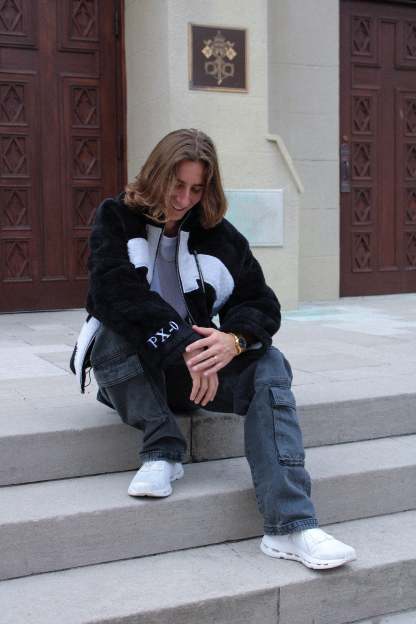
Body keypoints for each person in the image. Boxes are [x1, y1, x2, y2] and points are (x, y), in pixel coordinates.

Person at [71, 128, 356, 571]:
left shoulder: (219, 235)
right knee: (110, 329)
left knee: (270, 362)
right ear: (157, 174)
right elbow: (112, 293)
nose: (184, 198)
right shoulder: (116, 217)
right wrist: (184, 344)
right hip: (131, 373)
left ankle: (291, 526)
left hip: (193, 377)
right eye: (176, 184)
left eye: (196, 188)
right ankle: (162, 449)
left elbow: (261, 303)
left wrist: (233, 340)